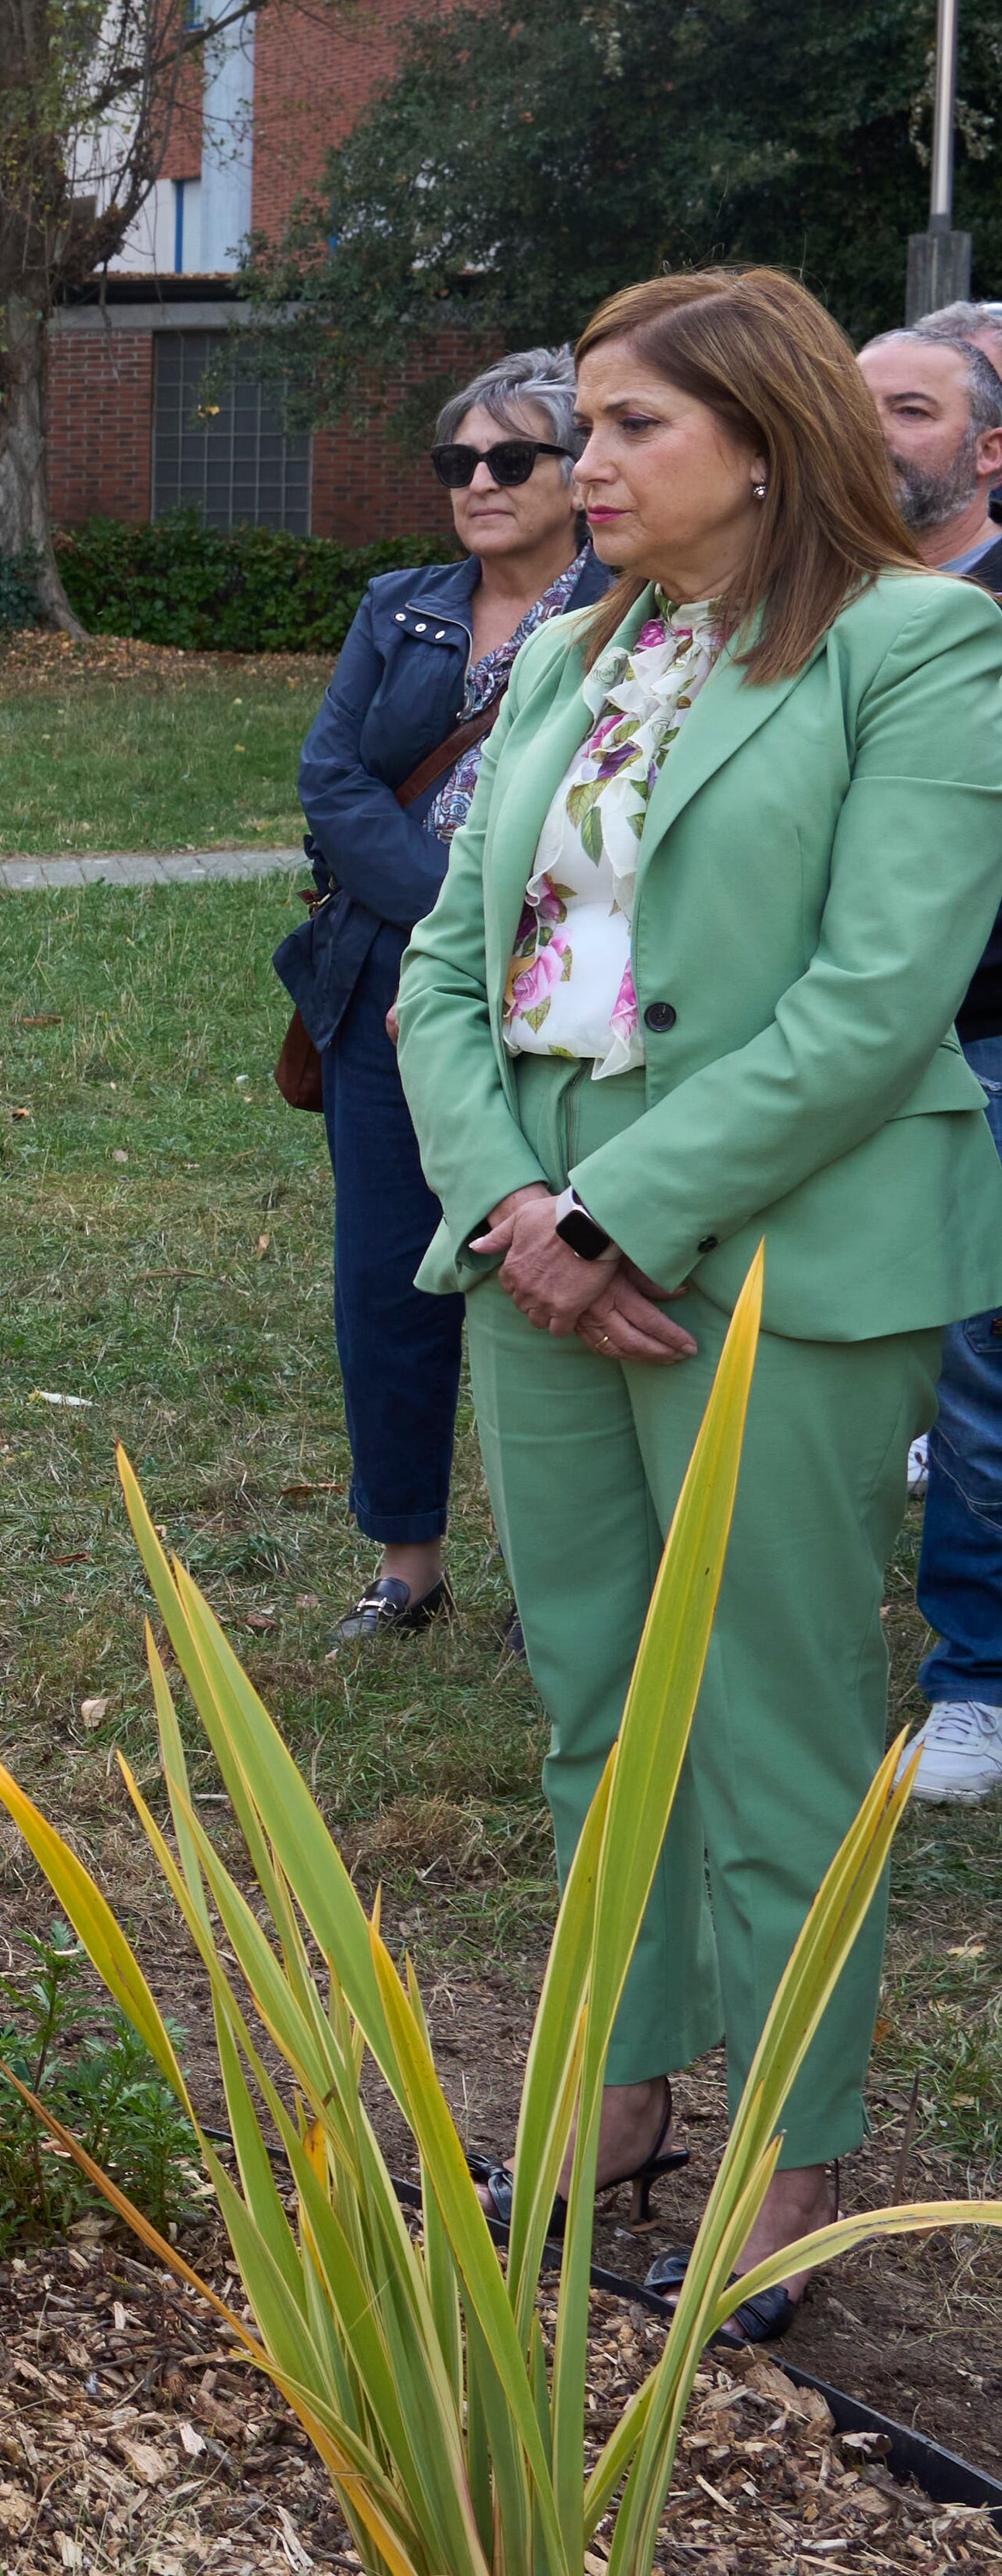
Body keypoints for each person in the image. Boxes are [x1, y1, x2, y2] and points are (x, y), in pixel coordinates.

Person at [398, 267, 1002, 2345]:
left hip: (781, 1255)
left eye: (638, 424)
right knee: (594, 1697)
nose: (586, 461)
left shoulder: (920, 648)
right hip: (534, 1262)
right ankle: (620, 2089)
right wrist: (512, 1208)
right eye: (588, 423)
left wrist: (621, 1209)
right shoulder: (571, 652)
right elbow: (445, 974)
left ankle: (795, 2143)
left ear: (767, 436)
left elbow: (879, 993)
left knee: (772, 1720)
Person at [289, 347, 612, 1645]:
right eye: (456, 462)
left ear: (579, 471)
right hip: (386, 992)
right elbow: (334, 781)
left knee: (568, 1271)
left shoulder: (631, 617)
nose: (477, 482)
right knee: (385, 1277)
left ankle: (574, 1571)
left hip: (568, 1003)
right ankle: (408, 1556)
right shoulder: (401, 607)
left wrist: (491, 955)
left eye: (511, 458)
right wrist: (450, 935)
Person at [862, 318, 1002, 1809]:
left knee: (974, 1365)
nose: (877, 434)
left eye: (912, 408)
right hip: (827, 1045)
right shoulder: (811, 609)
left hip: (980, 1038)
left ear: (987, 450)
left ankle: (975, 1677)